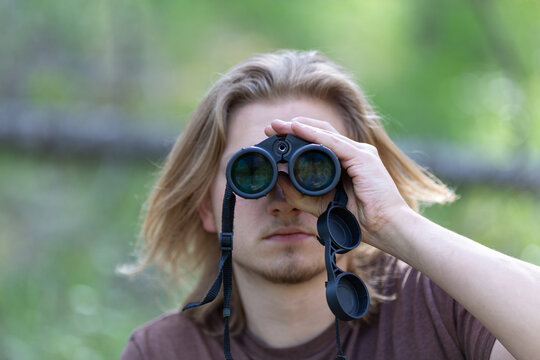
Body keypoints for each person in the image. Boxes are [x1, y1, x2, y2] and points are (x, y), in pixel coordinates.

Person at [121, 50, 539, 360]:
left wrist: (396, 223)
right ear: (206, 207)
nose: (286, 202)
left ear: (357, 178)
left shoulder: (440, 309)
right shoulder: (164, 351)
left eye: (317, 169)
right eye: (251, 174)